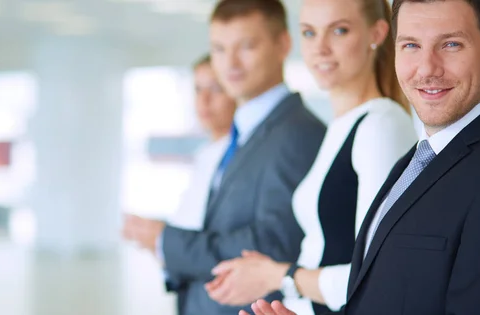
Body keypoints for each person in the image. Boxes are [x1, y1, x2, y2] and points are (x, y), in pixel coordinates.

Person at [242, 0, 480, 314]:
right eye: (411, 45)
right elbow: (377, 290)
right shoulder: (414, 162)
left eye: (451, 44)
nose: (427, 68)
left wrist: (283, 277)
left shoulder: (383, 126)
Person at [205, 0, 417, 314]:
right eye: (308, 33)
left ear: (377, 33)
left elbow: (379, 274)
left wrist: (279, 275)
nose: (320, 49)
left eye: (339, 31)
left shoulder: (380, 125)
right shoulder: (341, 126)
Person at [122, 0, 326, 314]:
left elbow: (272, 245)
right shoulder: (242, 133)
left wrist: (170, 243)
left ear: (283, 44)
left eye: (246, 46)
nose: (230, 63)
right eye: (219, 48)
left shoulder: (297, 134)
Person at [166, 54, 236, 231]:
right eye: (198, 89)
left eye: (216, 89)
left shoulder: (239, 154)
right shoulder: (205, 152)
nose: (203, 100)